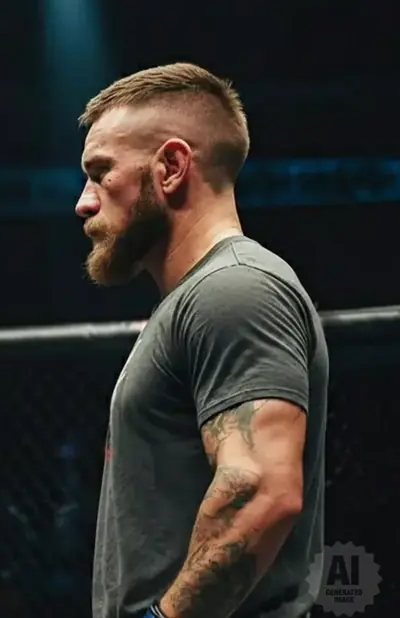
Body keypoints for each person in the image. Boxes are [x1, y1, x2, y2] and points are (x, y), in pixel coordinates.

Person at [75, 63, 328, 618]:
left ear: (171, 167)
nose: (84, 202)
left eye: (101, 173)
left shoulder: (233, 290)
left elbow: (260, 491)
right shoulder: (200, 297)